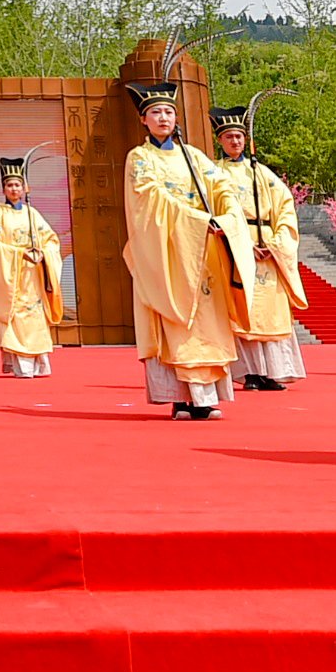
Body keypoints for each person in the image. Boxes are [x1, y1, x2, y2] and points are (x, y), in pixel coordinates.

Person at [121, 80, 251, 420]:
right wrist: (196, 219)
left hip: (203, 250)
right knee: (174, 320)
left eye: (168, 111)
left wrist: (225, 214)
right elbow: (148, 200)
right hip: (168, 253)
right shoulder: (140, 158)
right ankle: (181, 396)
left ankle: (206, 398)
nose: (163, 118)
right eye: (155, 113)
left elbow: (219, 185)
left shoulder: (193, 156)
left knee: (207, 322)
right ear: (143, 120)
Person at [213, 109, 306, 392]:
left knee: (271, 310)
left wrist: (276, 242)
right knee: (246, 309)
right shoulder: (215, 174)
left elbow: (285, 206)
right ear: (220, 141)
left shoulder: (262, 173)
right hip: (238, 243)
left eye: (239, 136)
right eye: (229, 137)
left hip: (268, 243)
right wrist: (242, 243)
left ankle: (274, 371)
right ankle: (251, 372)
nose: (235, 141)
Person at [0, 156, 61, 378]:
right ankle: (22, 366)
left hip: (32, 276)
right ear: (3, 189)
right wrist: (18, 254)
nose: (14, 189)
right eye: (9, 185)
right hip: (12, 277)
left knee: (35, 317)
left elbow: (51, 239)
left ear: (26, 188)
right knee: (15, 316)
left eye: (18, 185)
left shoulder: (33, 214)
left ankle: (39, 364)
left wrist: (43, 254)